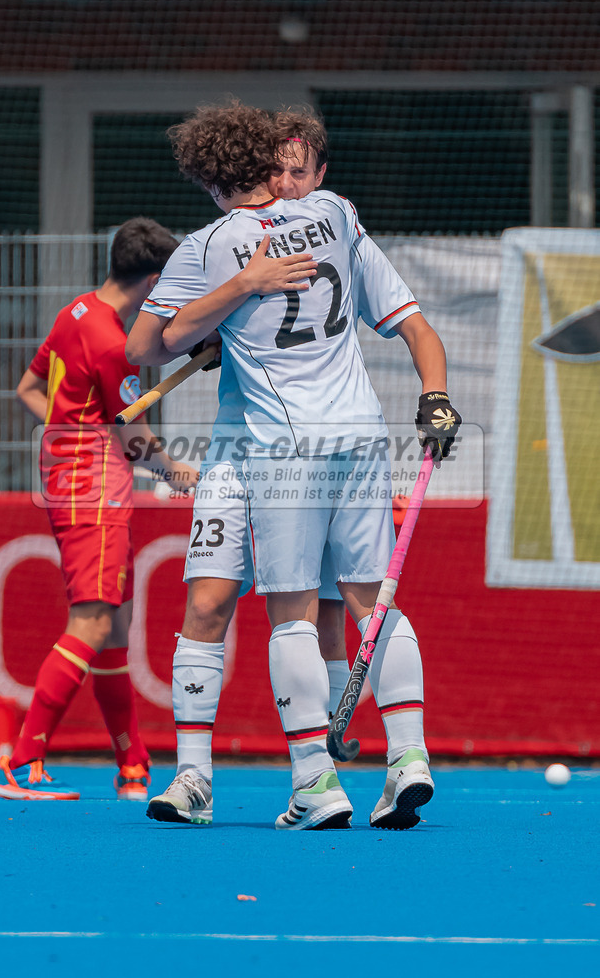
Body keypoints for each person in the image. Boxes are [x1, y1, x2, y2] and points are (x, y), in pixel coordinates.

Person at [126, 104, 461, 829]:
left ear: (206, 177)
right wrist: (226, 326)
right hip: (333, 438)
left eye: (297, 168)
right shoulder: (337, 213)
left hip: (283, 447)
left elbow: (145, 346)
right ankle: (394, 758)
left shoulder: (211, 244)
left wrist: (236, 293)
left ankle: (315, 778)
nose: (288, 178)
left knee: (294, 615)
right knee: (354, 601)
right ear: (261, 165)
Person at [0, 217, 198, 801]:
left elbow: (29, 389)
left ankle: (132, 765)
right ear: (154, 279)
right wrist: (182, 473)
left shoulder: (75, 311)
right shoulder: (114, 343)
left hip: (69, 478)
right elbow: (133, 439)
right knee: (94, 621)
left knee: (115, 628)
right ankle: (20, 762)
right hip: (94, 490)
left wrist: (72, 433)